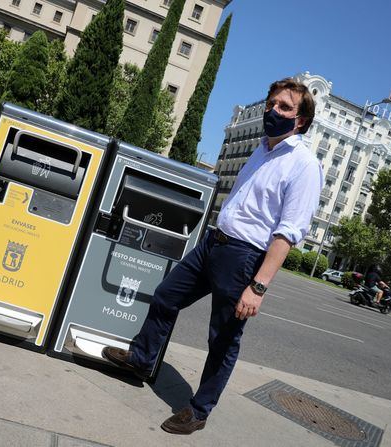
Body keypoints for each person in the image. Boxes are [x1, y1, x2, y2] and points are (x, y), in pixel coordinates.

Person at [102, 78, 323, 434]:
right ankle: (142, 360)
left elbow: (288, 233)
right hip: (214, 243)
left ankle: (199, 410)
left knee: (222, 339)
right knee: (165, 296)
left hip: (244, 258)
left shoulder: (304, 165)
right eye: (271, 104)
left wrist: (259, 286)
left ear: (300, 120)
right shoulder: (261, 150)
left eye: (283, 107)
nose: (273, 111)